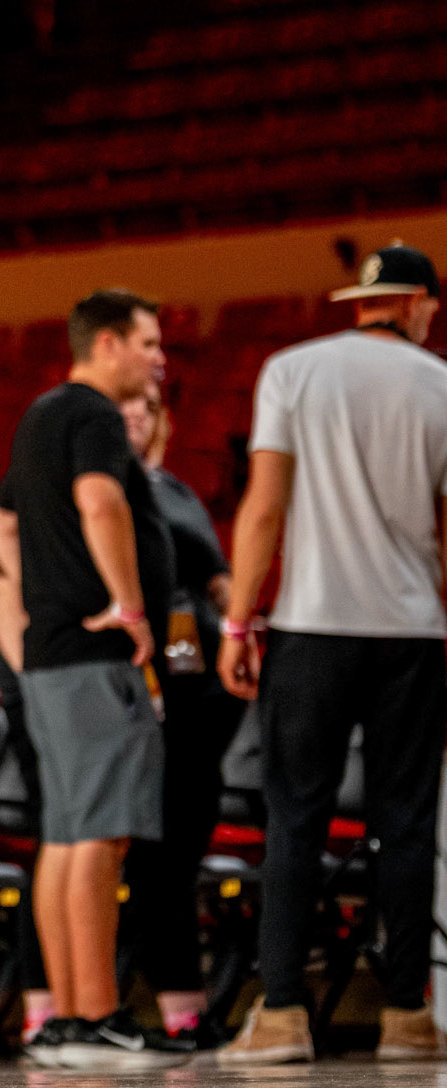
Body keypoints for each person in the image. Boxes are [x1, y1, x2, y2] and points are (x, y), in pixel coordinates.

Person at [218, 242, 447, 1065]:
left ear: (366, 301)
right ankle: (408, 1017)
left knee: (296, 820)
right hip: (414, 633)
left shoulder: (294, 369)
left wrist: (238, 622)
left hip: (312, 625)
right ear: (420, 303)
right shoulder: (443, 385)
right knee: (407, 825)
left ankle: (281, 1014)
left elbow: (265, 506)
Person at [0, 289, 176, 1071]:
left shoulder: (40, 414)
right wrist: (129, 605)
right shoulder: (93, 415)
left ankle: (63, 1022)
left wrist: (42, 595)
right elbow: (101, 504)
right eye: (149, 343)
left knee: (66, 836)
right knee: (99, 837)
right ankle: (95, 1017)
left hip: (52, 653)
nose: (159, 358)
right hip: (94, 658)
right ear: (106, 344)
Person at [117, 386, 242, 1049]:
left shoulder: (179, 490)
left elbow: (219, 577)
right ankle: (173, 1007)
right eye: (125, 407)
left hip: (203, 677)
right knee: (155, 856)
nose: (137, 415)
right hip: (144, 678)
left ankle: (189, 1010)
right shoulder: (107, 491)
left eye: (147, 407)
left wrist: (244, 626)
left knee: (186, 844)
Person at [0, 538, 51, 1052]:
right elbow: (3, 597)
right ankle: (44, 1008)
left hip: (58, 683)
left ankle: (55, 1008)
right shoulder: (12, 512)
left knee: (62, 843)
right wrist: (41, 692)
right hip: (42, 690)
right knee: (58, 841)